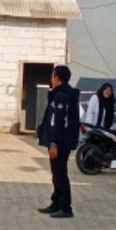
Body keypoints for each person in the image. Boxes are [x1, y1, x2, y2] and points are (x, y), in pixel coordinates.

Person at [36, 65, 80, 218]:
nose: (51, 80)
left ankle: (66, 208)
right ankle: (56, 203)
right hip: (61, 140)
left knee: (60, 174)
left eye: (52, 76)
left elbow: (60, 121)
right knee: (56, 173)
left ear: (57, 78)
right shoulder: (63, 94)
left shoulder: (61, 96)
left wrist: (54, 143)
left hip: (60, 142)